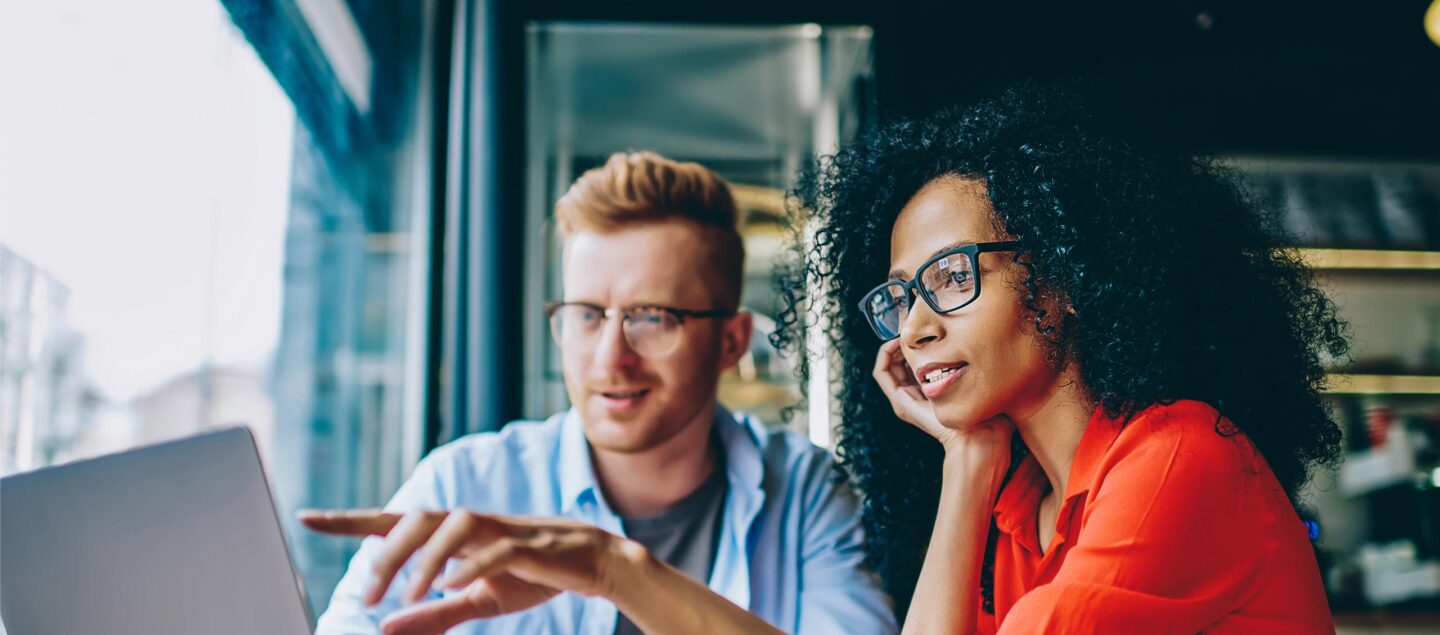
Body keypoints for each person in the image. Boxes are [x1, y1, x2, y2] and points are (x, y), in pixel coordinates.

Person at [773, 83, 1344, 633]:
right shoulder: (1021, 515)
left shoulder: (1181, 456)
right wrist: (967, 462)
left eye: (951, 276)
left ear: (1062, 280)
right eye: (901, 297)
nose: (915, 329)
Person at [305, 151, 897, 635]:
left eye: (653, 317)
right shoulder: (462, 486)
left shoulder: (806, 493)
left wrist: (615, 571)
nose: (610, 356)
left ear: (730, 341)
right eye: (587, 314)